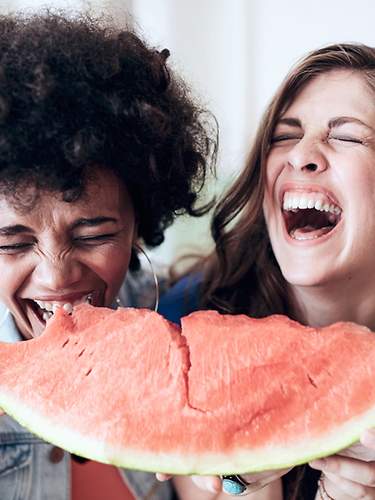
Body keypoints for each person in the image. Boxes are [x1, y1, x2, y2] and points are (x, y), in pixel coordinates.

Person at [0, 11, 217, 500]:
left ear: (139, 221)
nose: (57, 275)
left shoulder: (187, 325)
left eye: (93, 234)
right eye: (11, 242)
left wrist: (241, 475)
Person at [158, 43, 375, 499]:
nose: (301, 155)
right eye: (284, 136)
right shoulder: (190, 325)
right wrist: (248, 485)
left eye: (347, 136)